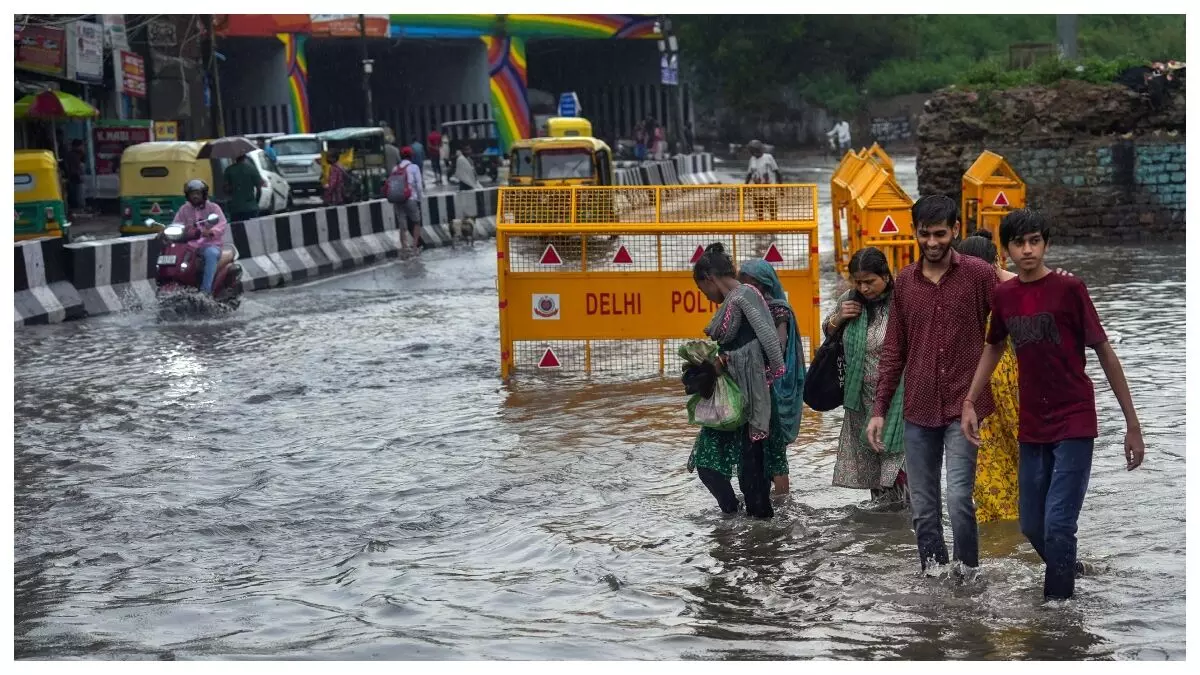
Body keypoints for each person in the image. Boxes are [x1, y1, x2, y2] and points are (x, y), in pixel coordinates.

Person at [962, 209, 1145, 601]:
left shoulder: (1070, 288)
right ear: (1007, 250)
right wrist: (970, 401)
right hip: (1033, 424)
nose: (1027, 250)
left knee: (1060, 523)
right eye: (1018, 243)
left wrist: (1132, 424)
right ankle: (1070, 569)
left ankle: (1059, 617)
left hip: (1075, 419)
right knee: (1032, 525)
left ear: (1045, 243)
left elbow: (1104, 352)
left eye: (1035, 241)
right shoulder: (1004, 295)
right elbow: (993, 346)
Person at [867, 194, 998, 578]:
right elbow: (894, 351)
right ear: (915, 232)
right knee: (923, 507)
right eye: (925, 234)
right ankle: (934, 578)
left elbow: (1010, 314)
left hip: (965, 407)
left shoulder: (978, 274)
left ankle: (969, 576)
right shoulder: (905, 282)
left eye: (940, 234)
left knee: (959, 498)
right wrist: (878, 410)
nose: (933, 242)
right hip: (919, 409)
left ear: (955, 230)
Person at [687, 243, 786, 519]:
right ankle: (735, 519)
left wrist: (724, 362)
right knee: (713, 466)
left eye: (702, 290)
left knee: (751, 476)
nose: (706, 298)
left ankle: (755, 539)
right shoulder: (739, 300)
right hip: (733, 400)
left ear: (709, 278)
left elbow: (767, 347)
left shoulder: (746, 297)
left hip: (752, 401)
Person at [825, 247, 908, 508]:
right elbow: (827, 330)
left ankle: (909, 526)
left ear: (885, 275)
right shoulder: (849, 301)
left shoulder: (902, 302)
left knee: (899, 464)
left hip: (898, 399)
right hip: (862, 400)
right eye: (858, 282)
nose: (864, 288)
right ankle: (885, 532)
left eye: (869, 281)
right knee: (875, 468)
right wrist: (840, 318)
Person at [957, 231, 1020, 523]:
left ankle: (997, 530)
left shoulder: (959, 290)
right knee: (1019, 449)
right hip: (1008, 378)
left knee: (986, 457)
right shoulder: (1011, 288)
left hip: (976, 384)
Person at [739, 259, 805, 496]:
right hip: (757, 387)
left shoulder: (778, 310)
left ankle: (782, 504)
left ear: (759, 283)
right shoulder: (748, 307)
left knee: (776, 452)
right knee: (757, 448)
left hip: (775, 386)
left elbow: (778, 346)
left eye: (745, 282)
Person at [172, 179, 228, 296]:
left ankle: (205, 291)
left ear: (204, 194)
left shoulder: (213, 208)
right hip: (190, 245)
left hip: (210, 244)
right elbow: (176, 223)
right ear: (188, 195)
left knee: (210, 254)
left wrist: (212, 231)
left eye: (198, 193)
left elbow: (222, 223)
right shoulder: (184, 209)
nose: (195, 196)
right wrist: (167, 231)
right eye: (193, 194)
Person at [387, 146, 424, 257]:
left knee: (402, 224)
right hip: (410, 198)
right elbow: (419, 185)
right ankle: (414, 247)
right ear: (411, 156)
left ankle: (404, 248)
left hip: (397, 199)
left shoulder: (395, 168)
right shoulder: (414, 167)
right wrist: (420, 199)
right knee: (416, 222)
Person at [745, 140, 780, 221]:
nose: (756, 153)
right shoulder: (752, 159)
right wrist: (745, 187)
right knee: (758, 208)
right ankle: (760, 225)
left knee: (772, 208)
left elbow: (777, 172)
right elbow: (749, 174)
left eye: (758, 151)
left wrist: (780, 187)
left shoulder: (768, 157)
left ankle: (774, 225)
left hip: (769, 189)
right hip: (757, 190)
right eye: (753, 152)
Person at [223, 152, 263, 222]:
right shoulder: (252, 169)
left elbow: (226, 189)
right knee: (253, 229)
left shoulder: (229, 170)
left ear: (235, 157)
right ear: (244, 157)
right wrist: (255, 202)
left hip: (235, 208)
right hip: (251, 207)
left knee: (237, 230)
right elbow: (259, 189)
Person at [64, 139, 85, 213]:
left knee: (76, 193)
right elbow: (76, 166)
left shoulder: (76, 154)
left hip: (74, 175)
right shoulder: (73, 155)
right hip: (75, 176)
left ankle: (77, 207)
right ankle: (78, 208)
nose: (83, 147)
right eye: (81, 146)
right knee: (78, 193)